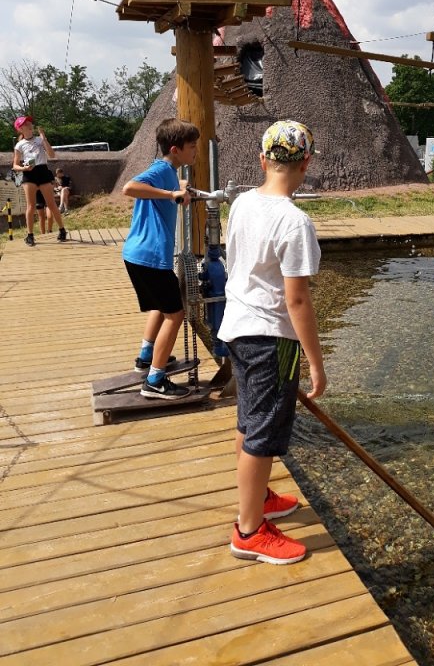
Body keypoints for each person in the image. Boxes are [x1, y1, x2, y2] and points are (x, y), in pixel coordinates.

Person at [218, 119, 327, 565]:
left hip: (237, 327)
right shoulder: (295, 222)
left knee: (249, 421)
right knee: (262, 433)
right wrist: (316, 363)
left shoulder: (243, 202)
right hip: (272, 340)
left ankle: (259, 496)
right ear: (306, 163)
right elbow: (296, 300)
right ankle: (249, 531)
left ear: (262, 161)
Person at [122, 118, 199, 400]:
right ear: (176, 149)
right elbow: (129, 188)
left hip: (138, 254)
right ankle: (154, 380)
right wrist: (171, 194)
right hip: (150, 256)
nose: (196, 151)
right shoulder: (160, 170)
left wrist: (180, 186)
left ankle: (146, 356)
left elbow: (171, 184)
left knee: (161, 305)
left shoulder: (168, 171)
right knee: (175, 315)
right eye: (192, 147)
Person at [12, 116, 67, 246]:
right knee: (31, 206)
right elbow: (15, 165)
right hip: (29, 173)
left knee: (51, 204)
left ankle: (62, 230)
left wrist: (44, 138)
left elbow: (52, 155)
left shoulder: (39, 140)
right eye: (26, 123)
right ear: (20, 129)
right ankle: (30, 235)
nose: (29, 124)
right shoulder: (19, 145)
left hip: (42, 171)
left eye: (29, 122)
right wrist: (24, 168)